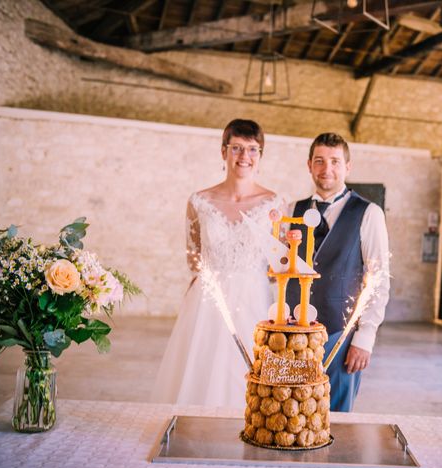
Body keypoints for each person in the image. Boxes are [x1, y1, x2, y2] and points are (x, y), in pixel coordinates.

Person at [152, 119, 283, 408]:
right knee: (200, 368)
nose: (244, 157)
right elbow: (194, 256)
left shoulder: (274, 203)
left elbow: (278, 262)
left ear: (260, 155)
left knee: (248, 370)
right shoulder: (199, 201)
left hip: (254, 299)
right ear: (223, 151)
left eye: (252, 149)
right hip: (207, 301)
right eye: (236, 148)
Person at [286, 132, 390, 412]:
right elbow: (283, 271)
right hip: (294, 336)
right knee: (292, 415)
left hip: (341, 337)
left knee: (337, 421)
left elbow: (378, 279)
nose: (326, 169)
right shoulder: (291, 210)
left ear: (348, 166)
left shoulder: (369, 213)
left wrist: (365, 338)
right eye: (319, 161)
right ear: (309, 165)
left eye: (334, 161)